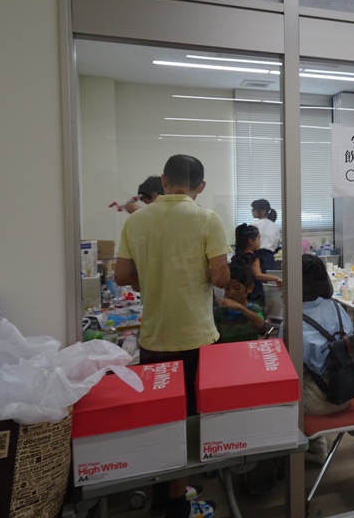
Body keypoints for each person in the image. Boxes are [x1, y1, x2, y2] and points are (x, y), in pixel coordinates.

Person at [115, 154, 230, 518]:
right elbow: (221, 278)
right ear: (201, 186)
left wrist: (151, 279)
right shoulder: (207, 219)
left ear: (163, 181)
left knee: (161, 420)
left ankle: (163, 496)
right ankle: (178, 506)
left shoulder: (136, 220)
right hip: (196, 338)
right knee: (188, 422)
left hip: (153, 338)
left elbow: (121, 276)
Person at [280, 255, 354, 463]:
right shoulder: (337, 308)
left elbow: (286, 368)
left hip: (318, 403)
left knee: (268, 392)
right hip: (348, 392)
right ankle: (316, 446)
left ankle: (289, 451)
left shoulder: (292, 320)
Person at [213, 261, 266, 343]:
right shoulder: (220, 311)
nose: (231, 293)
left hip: (247, 349)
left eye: (237, 288)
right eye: (227, 288)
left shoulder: (255, 309)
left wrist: (241, 308)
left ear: (250, 288)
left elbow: (261, 325)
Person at [233, 224, 283, 306]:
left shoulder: (237, 256)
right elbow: (258, 275)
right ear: (251, 242)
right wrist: (276, 278)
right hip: (254, 292)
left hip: (240, 292)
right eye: (259, 238)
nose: (260, 241)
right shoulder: (253, 257)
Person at [251, 199, 281, 270]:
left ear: (263, 211)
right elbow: (277, 244)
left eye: (254, 209)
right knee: (269, 275)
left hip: (256, 256)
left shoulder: (254, 225)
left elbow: (250, 242)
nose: (252, 211)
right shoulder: (274, 226)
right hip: (270, 258)